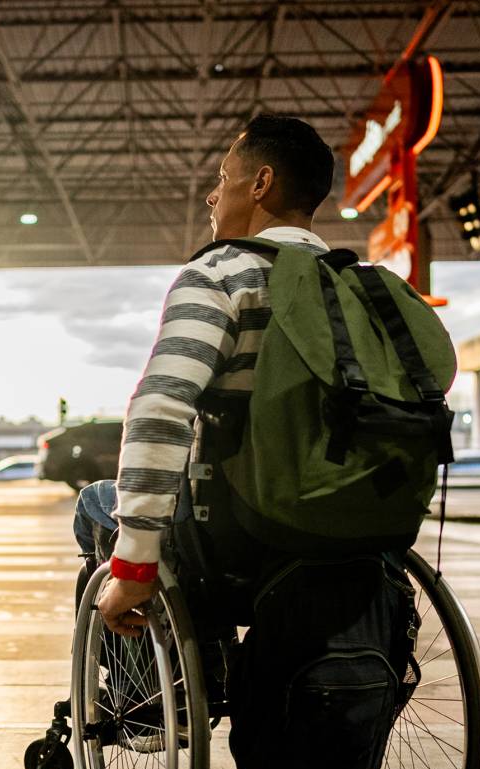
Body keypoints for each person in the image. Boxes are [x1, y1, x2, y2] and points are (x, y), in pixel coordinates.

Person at [72, 113, 337, 636]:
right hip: (346, 525)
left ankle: (140, 694)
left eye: (222, 178)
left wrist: (134, 564)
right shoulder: (360, 287)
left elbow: (162, 410)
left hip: (241, 532)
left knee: (93, 502)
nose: (212, 198)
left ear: (260, 183)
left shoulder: (221, 273)